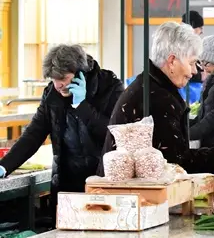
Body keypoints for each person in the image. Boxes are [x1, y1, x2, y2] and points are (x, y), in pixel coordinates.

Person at [101, 22, 214, 175]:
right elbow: (177, 161)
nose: (194, 71)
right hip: (131, 195)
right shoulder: (157, 98)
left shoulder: (149, 87)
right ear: (172, 61)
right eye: (192, 63)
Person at [0, 44, 122, 193]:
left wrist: (81, 106)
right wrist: (4, 166)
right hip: (66, 184)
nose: (58, 85)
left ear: (80, 73)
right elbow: (33, 134)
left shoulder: (110, 86)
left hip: (104, 182)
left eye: (63, 78)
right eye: (53, 79)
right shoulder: (52, 94)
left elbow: (115, 135)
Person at [183, 11, 205, 86]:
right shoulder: (182, 47)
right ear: (192, 27)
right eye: (200, 28)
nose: (202, 32)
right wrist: (201, 76)